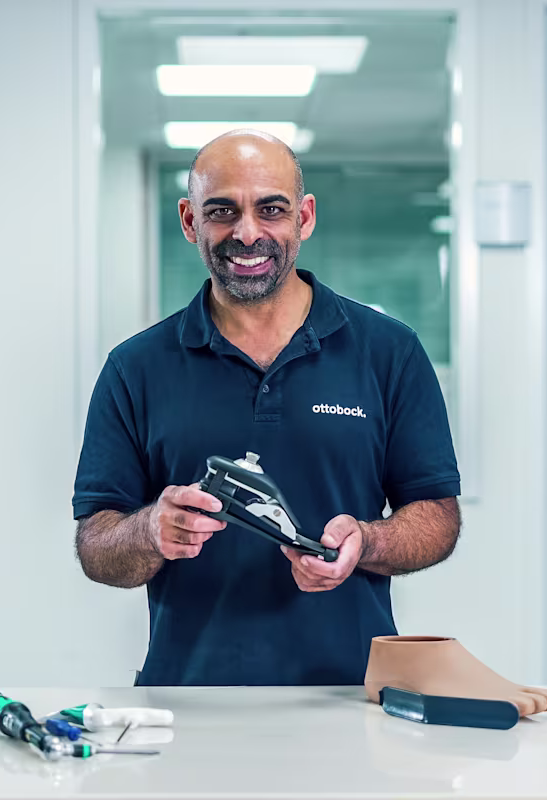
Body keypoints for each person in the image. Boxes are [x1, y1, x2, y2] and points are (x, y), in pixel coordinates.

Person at [73, 129, 461, 687]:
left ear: (304, 217)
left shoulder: (389, 352)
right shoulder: (135, 368)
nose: (247, 232)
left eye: (270, 209)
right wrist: (150, 530)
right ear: (190, 222)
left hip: (349, 696)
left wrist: (366, 542)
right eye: (222, 211)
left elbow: (437, 517)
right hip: (189, 700)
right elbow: (96, 544)